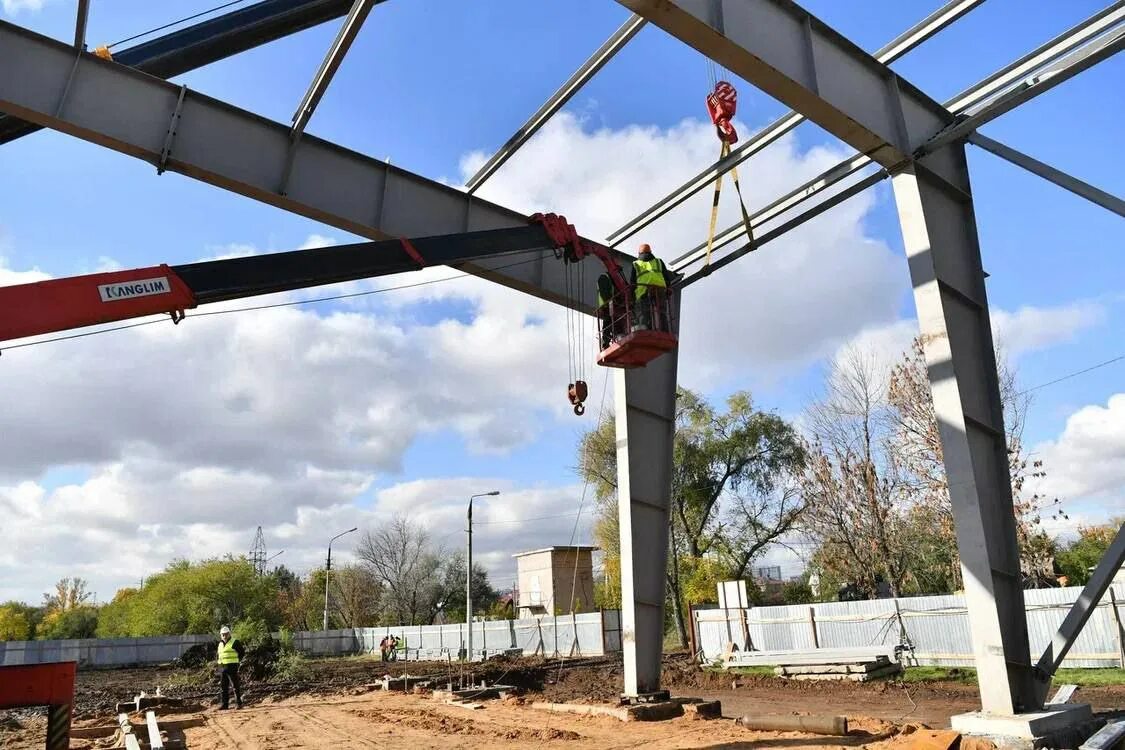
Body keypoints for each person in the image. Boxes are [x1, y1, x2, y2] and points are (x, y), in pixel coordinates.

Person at [630, 243, 674, 330]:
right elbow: (666, 277)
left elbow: (632, 283)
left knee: (644, 312)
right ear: (650, 252)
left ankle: (646, 329)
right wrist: (668, 288)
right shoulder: (658, 261)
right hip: (660, 289)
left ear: (639, 254)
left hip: (643, 291)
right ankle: (665, 330)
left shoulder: (636, 264)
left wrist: (632, 297)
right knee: (662, 312)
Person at [216, 625, 245, 710]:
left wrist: (237, 661)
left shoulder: (235, 642)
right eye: (223, 634)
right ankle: (225, 705)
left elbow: (242, 653)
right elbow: (218, 655)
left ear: (229, 634)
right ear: (221, 635)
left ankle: (238, 704)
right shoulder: (220, 644)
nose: (224, 636)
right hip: (222, 668)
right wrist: (219, 665)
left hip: (232, 667)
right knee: (223, 687)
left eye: (226, 634)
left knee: (235, 686)